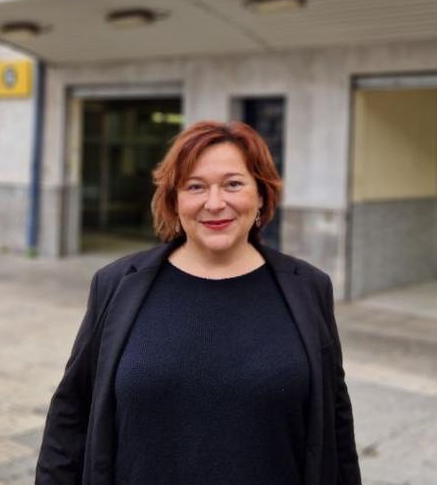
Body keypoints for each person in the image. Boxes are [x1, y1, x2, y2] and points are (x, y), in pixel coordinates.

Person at [37, 121, 360, 485]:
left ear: (261, 196)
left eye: (233, 184)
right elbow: (71, 417)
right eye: (195, 187)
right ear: (175, 201)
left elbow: (336, 423)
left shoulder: (308, 289)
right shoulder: (117, 285)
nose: (215, 203)